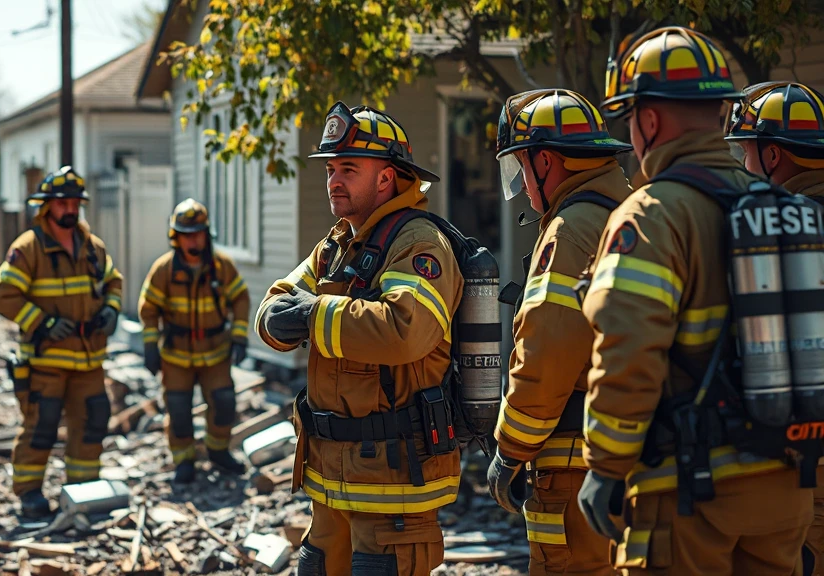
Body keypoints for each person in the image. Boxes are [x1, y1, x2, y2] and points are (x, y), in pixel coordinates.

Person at [578, 26, 812, 574]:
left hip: (690, 495)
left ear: (648, 121)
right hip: (786, 486)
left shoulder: (652, 216)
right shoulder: (779, 207)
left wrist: (606, 466)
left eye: (630, 119)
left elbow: (628, 349)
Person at [257, 102, 463, 576]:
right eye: (331, 169)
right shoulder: (337, 245)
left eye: (349, 169)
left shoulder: (419, 243)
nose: (334, 180)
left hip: (394, 481)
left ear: (387, 177)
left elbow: (404, 330)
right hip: (331, 477)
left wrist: (313, 315)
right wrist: (276, 320)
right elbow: (277, 301)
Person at [487, 88, 632, 575]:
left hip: (574, 464)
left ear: (545, 161)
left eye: (521, 167)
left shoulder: (569, 230)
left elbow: (545, 355)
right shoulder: (636, 215)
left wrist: (510, 450)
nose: (522, 186)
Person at [724, 80, 824, 575]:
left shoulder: (773, 234)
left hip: (804, 456)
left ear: (772, 155)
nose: (743, 165)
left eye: (745, 151)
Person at [0, 166, 122, 518]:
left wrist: (111, 309)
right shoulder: (28, 247)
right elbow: (4, 295)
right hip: (46, 361)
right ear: (47, 206)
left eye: (75, 203)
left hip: (89, 360)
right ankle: (29, 493)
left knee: (91, 424)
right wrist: (44, 322)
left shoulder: (93, 247)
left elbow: (114, 281)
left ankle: (83, 490)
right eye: (63, 203)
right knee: (41, 426)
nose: (70, 209)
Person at [139, 198, 250, 484]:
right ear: (175, 237)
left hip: (216, 352)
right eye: (186, 235)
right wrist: (150, 344)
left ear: (206, 234)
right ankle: (184, 460)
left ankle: (218, 452)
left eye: (197, 234)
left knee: (224, 402)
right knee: (178, 409)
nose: (193, 241)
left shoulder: (222, 266)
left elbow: (240, 298)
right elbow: (149, 308)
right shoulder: (164, 269)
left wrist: (239, 336)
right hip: (176, 355)